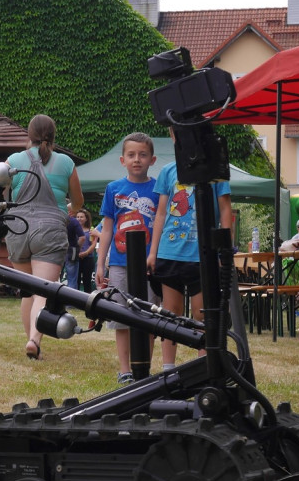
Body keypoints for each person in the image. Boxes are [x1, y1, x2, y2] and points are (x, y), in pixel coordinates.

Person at [4, 114, 83, 360]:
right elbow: (79, 203)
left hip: (17, 229)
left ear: (29, 135)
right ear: (54, 135)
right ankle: (34, 340)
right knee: (43, 291)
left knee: (28, 291)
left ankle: (33, 348)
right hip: (49, 231)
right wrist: (68, 210)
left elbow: (6, 197)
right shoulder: (66, 163)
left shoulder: (13, 160)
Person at [147, 152, 233, 371]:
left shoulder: (215, 168)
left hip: (202, 254)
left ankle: (204, 368)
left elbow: (225, 209)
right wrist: (153, 252)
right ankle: (168, 368)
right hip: (170, 251)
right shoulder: (168, 171)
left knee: (201, 314)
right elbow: (161, 213)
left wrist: (224, 248)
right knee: (170, 313)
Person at [95, 132, 160, 385]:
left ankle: (146, 369)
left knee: (149, 316)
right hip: (120, 263)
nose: (137, 160)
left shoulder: (158, 190)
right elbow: (107, 229)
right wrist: (101, 263)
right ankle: (125, 369)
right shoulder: (113, 189)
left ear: (152, 159)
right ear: (122, 160)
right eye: (131, 155)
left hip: (147, 264)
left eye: (142, 155)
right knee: (120, 317)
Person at [75, 208, 98, 292]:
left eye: (81, 217)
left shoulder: (91, 230)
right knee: (75, 281)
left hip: (88, 258)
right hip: (76, 258)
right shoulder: (73, 229)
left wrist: (86, 253)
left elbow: (93, 244)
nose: (79, 219)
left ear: (86, 218)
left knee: (87, 281)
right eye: (77, 217)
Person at [63, 204, 86, 289]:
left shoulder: (57, 219)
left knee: (55, 277)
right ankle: (71, 300)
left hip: (57, 250)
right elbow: (82, 238)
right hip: (71, 250)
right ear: (71, 211)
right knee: (72, 278)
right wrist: (77, 247)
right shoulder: (73, 221)